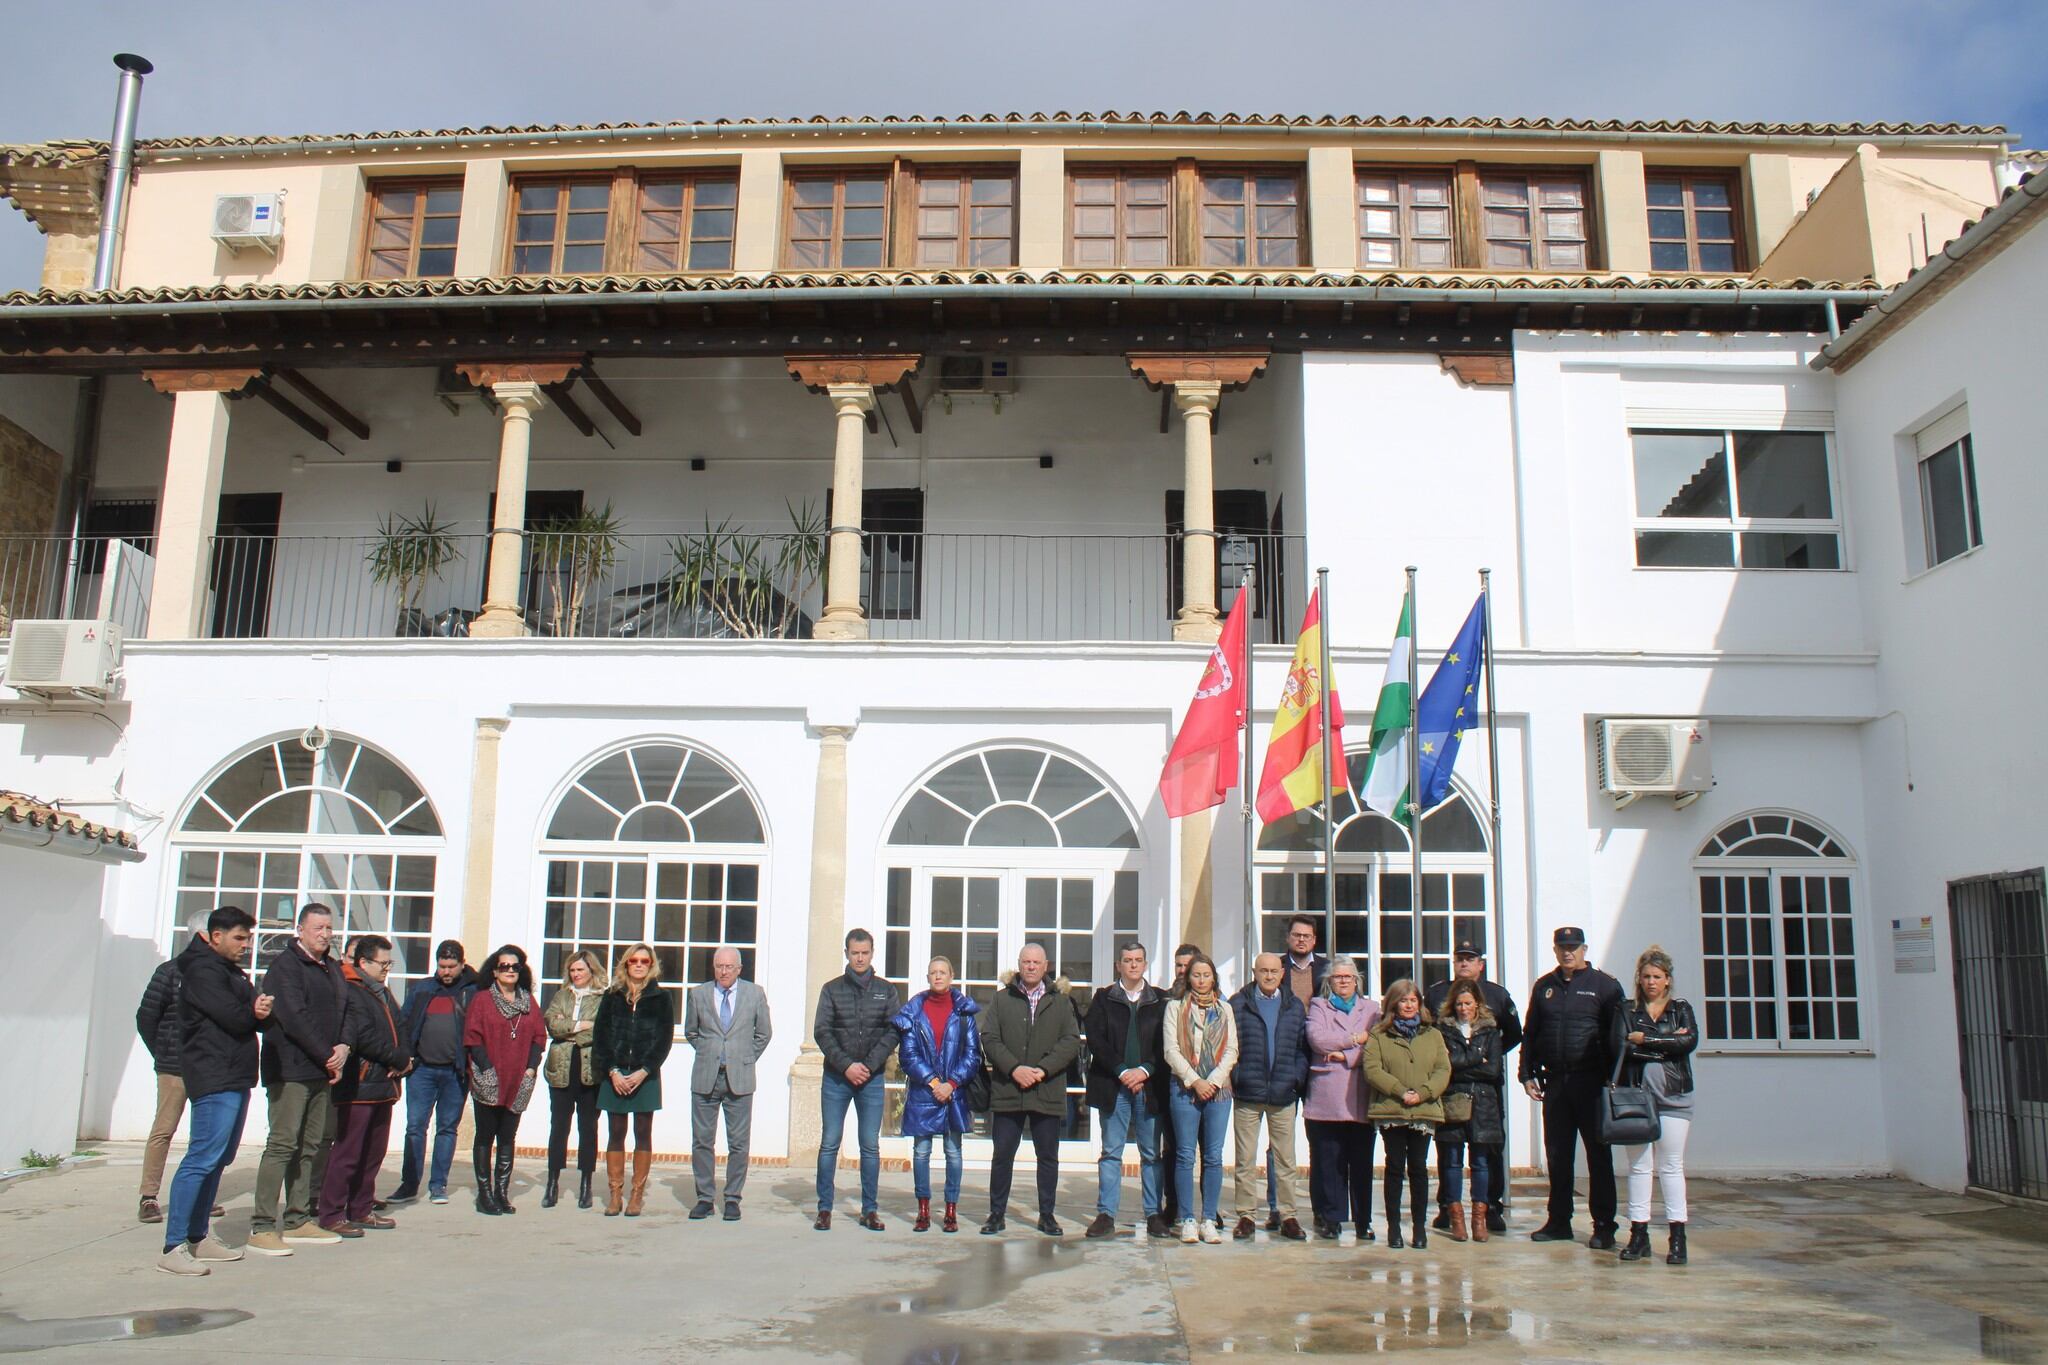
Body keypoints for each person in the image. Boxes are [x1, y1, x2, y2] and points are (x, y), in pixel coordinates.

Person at [155, 906, 273, 1276]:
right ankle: (173, 1246)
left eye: (248, 938)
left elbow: (249, 1011)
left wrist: (255, 1009)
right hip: (213, 1075)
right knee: (201, 1158)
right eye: (239, 937)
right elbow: (237, 1017)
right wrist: (254, 1010)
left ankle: (197, 1236)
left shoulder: (228, 971)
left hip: (234, 1074)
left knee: (219, 1159)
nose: (246, 945)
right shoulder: (202, 971)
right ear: (215, 936)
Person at [249, 903, 347, 1255]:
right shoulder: (285, 967)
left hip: (321, 1070)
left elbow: (346, 1009)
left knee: (311, 1146)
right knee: (282, 1145)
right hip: (290, 1069)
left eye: (329, 928)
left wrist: (343, 1047)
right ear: (301, 930)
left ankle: (297, 1218)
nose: (324, 934)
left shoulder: (331, 968)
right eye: (318, 927)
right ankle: (262, 1224)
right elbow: (294, 1017)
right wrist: (327, 1055)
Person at [1520, 925, 1625, 1248]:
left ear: (1584, 949)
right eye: (1563, 947)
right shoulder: (1545, 987)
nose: (1568, 952)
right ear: (1555, 950)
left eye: (1574, 947)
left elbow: (1618, 1036)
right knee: (1558, 1155)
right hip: (1556, 1082)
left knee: (1598, 1157)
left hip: (1591, 1082)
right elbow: (1531, 1032)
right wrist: (1526, 1073)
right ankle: (1559, 1220)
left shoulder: (1605, 987)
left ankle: (1604, 1224)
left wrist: (1614, 1079)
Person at [980, 942, 1082, 1236]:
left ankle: (1047, 1215)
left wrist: (1042, 1070)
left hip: (1046, 1089)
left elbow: (1071, 1041)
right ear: (1019, 964)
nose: (1031, 967)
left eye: (1037, 962)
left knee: (1047, 1157)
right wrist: (1014, 1069)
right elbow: (989, 1037)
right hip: (1008, 1089)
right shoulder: (1002, 999)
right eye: (1026, 962)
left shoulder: (1061, 1002)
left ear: (1046, 966)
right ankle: (996, 1214)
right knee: (1002, 1156)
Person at [317, 935, 413, 1236]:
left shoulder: (381, 992)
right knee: (348, 1152)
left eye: (389, 963)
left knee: (373, 1152)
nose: (386, 969)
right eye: (382, 963)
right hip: (360, 1083)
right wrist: (397, 1058)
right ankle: (331, 1213)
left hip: (384, 1084)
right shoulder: (351, 990)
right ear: (363, 962)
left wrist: (407, 1059)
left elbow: (401, 1028)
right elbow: (363, 1036)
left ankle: (361, 1208)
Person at [1425, 940, 1522, 1232]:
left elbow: (1513, 1034)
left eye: (1470, 959)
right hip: (1451, 1089)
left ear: (1481, 964)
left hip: (1486, 1092)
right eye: (1460, 959)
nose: (1464, 963)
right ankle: (1447, 1208)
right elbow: (1432, 1040)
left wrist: (1484, 1057)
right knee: (1449, 1153)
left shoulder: (1497, 994)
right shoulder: (1437, 993)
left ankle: (1491, 1208)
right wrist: (1474, 1058)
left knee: (1488, 1150)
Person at [136, 908, 223, 1226]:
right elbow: (146, 1017)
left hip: (209, 1069)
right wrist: (163, 1052)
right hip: (174, 1068)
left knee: (207, 1135)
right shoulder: (169, 972)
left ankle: (200, 1196)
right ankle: (149, 1196)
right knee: (164, 1130)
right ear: (202, 936)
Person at [1614, 945, 1698, 1266]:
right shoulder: (1627, 1010)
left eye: (1657, 977)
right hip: (1636, 1095)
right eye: (1646, 976)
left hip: (1675, 1096)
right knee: (1638, 1167)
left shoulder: (1681, 1008)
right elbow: (1621, 1045)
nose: (1651, 982)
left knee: (1671, 1166)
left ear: (1668, 980)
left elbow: (1688, 1042)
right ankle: (1639, 1234)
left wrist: (1646, 1040)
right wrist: (1666, 1042)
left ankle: (1678, 1236)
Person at [812, 929, 899, 1231]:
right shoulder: (831, 989)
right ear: (846, 953)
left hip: (871, 1080)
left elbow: (893, 1031)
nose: (859, 958)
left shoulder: (886, 990)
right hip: (837, 1078)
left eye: (864, 952)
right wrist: (847, 1065)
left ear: (872, 953)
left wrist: (869, 1065)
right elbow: (822, 1031)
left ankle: (870, 1210)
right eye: (854, 953)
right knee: (829, 1142)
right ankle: (824, 1208)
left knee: (869, 1146)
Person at [1083, 940, 1168, 1239]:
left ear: (1145, 964)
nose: (1133, 965)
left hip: (1149, 1087)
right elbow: (1095, 1039)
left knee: (1150, 1154)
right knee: (1111, 1153)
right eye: (1127, 960)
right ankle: (1106, 1214)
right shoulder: (1104, 999)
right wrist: (1121, 1070)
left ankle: (1153, 1213)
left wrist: (1144, 1070)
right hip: (1113, 1086)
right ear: (1119, 965)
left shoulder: (1161, 1000)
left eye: (1138, 959)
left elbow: (1166, 1044)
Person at [891, 956, 981, 1233]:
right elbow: (908, 1055)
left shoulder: (964, 1012)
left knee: (953, 1151)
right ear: (927, 977)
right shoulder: (913, 1012)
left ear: (951, 976)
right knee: (921, 1152)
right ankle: (923, 1209)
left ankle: (951, 1209)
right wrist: (932, 1082)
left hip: (954, 1093)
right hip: (924, 1092)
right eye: (933, 972)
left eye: (943, 972)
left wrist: (951, 1083)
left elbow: (972, 1054)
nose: (938, 976)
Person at [685, 946, 772, 1221]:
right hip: (706, 1076)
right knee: (702, 1141)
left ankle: (733, 1198)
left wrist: (744, 1059)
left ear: (739, 969)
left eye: (728, 967)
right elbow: (691, 1031)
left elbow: (764, 1033)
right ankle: (705, 1198)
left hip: (739, 1078)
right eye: (719, 966)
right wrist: (710, 1054)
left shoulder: (754, 994)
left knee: (738, 1144)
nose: (723, 972)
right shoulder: (698, 994)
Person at [388, 940, 478, 1205]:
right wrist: (405, 1057)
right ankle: (409, 1184)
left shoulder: (472, 991)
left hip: (455, 1072)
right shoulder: (423, 989)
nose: (446, 972)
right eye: (442, 966)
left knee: (447, 1129)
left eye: (451, 966)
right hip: (422, 1071)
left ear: (462, 964)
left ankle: (438, 1185)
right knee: (415, 1127)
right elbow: (404, 1023)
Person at [1363, 979, 1450, 1250]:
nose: (1409, 1005)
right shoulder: (1379, 1034)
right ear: (1393, 1003)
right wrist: (1400, 1091)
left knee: (1418, 1169)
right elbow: (1372, 1069)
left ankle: (1419, 1229)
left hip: (1423, 1110)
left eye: (1413, 1000)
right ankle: (1393, 1230)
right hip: (1393, 1109)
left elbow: (1442, 1070)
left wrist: (1422, 1093)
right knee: (1395, 1167)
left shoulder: (1432, 1034)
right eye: (1403, 1000)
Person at [1228, 952, 1309, 1241]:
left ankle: (1287, 1214)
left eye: (1274, 971)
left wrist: (1296, 1078)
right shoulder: (1238, 1004)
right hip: (1248, 1092)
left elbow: (1302, 1048)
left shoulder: (1294, 1006)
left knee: (1286, 1159)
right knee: (1245, 1159)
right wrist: (1236, 1076)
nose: (1269, 976)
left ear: (1282, 973)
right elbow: (1229, 1045)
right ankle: (1246, 1216)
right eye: (1264, 971)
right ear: (1254, 972)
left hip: (1283, 1093)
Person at [1302, 955, 1379, 1242]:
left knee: (1360, 1164)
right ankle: (1331, 1218)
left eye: (1348, 977)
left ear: (1357, 980)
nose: (1343, 981)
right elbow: (1317, 1039)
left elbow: (1376, 1044)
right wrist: (1355, 1040)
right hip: (1325, 1099)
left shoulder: (1372, 1009)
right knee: (1328, 1163)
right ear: (1329, 981)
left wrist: (1345, 1056)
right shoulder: (1319, 1006)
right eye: (1338, 977)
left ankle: (1363, 1220)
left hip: (1359, 1098)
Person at [593, 942, 673, 1218]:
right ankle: (615, 1193)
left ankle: (636, 1195)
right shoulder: (612, 996)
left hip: (645, 1076)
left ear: (651, 966)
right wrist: (613, 1071)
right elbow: (600, 1038)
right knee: (615, 1132)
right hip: (615, 1074)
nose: (638, 965)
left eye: (644, 961)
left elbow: (663, 1040)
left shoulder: (661, 999)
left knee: (642, 1132)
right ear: (626, 964)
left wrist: (644, 1071)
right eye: (633, 961)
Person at [466, 944, 545, 1216]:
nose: (510, 971)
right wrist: (487, 1068)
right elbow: (472, 1038)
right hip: (490, 1076)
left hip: (518, 1078)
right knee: (486, 1135)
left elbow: (538, 1037)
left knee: (508, 1137)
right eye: (504, 966)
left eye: (515, 966)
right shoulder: (482, 1000)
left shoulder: (528, 1001)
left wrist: (532, 1068)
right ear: (495, 971)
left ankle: (502, 1192)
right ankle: (485, 1194)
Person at [1162, 952, 1236, 1245]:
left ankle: (1208, 1219)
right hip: (1184, 1088)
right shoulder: (1174, 1008)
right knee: (1184, 1154)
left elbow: (1232, 1050)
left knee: (1214, 1156)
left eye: (1206, 975)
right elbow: (1171, 1050)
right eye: (1196, 975)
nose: (1202, 980)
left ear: (1213, 978)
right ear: (1187, 977)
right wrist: (1195, 1081)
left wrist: (1212, 1082)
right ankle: (1187, 1219)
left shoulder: (1225, 1009)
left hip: (1219, 1091)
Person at [1435, 978, 1504, 1244]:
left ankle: (1479, 1217)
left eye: (1468, 1003)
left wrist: (1462, 1065)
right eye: (1460, 1003)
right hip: (1454, 1099)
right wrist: (1476, 1058)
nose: (1464, 1008)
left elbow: (1493, 1070)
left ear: (1478, 1004)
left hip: (1484, 1102)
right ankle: (1456, 1217)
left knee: (1480, 1162)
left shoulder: (1490, 1031)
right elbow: (1444, 1065)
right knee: (1451, 1160)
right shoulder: (1443, 1030)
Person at [1272, 916, 1328, 1228]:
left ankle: (1320, 1209)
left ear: (1314, 940)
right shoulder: (1276, 968)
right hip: (1286, 1056)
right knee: (1279, 1138)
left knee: (1319, 1137)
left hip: (1320, 1058)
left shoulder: (1328, 969)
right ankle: (1276, 1208)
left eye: (1307, 936)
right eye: (1296, 935)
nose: (1301, 940)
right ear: (1288, 938)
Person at [541, 950, 607, 1209]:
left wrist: (569, 1027)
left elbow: (601, 1028)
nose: (576, 974)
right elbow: (552, 1025)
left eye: (580, 970)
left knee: (588, 1128)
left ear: (591, 970)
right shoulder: (561, 996)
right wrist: (581, 1025)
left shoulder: (602, 997)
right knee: (559, 1127)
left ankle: (586, 1183)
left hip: (590, 1069)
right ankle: (552, 1181)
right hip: (562, 1068)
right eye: (572, 970)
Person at [1160, 942, 1201, 1227]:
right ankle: (1173, 1205)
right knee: (1174, 1150)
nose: (1183, 970)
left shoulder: (1217, 1000)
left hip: (1207, 1086)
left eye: (1188, 965)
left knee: (1207, 1151)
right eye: (1178, 965)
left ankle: (1208, 1209)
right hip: (1172, 1084)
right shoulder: (1165, 1001)